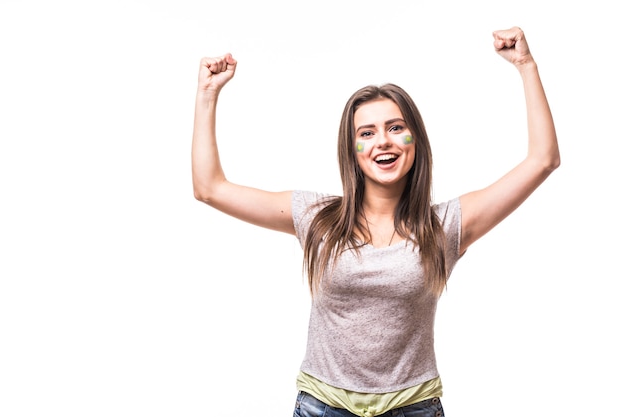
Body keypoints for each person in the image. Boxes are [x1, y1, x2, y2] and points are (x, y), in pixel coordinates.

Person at [191, 26, 559, 417]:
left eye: (395, 128)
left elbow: (543, 160)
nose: (382, 141)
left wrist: (525, 65)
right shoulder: (317, 218)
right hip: (323, 407)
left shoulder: (447, 226)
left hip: (413, 407)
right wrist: (207, 94)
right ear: (353, 149)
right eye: (367, 132)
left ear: (415, 139)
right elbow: (209, 188)